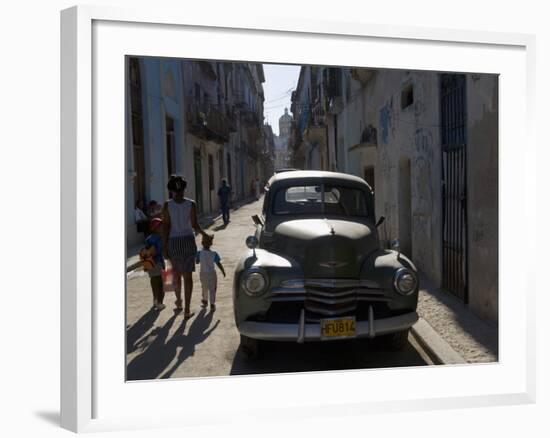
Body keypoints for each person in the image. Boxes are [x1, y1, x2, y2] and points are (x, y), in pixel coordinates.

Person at [162, 175, 208, 318]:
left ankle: (179, 302)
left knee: (175, 275)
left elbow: (166, 227)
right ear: (184, 189)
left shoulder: (167, 205)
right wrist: (204, 234)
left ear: (171, 191)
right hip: (188, 242)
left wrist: (164, 246)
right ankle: (187, 310)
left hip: (174, 242)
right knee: (187, 277)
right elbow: (194, 225)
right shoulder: (191, 204)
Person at [139, 217, 166, 311]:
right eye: (160, 227)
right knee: (160, 284)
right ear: (155, 228)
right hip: (157, 263)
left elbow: (146, 252)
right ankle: (159, 302)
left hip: (149, 264)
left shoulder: (148, 238)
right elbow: (159, 251)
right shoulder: (159, 238)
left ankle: (155, 300)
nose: (162, 228)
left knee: (153, 281)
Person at [196, 234, 225, 312]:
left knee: (204, 287)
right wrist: (223, 271)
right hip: (212, 274)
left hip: (203, 273)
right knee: (212, 289)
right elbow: (218, 263)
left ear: (202, 242)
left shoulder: (199, 253)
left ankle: (205, 301)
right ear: (211, 244)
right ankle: (212, 304)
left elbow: (197, 262)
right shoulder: (214, 253)